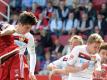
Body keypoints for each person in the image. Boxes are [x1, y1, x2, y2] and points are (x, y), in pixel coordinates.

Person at [0, 11, 37, 80]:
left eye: (30, 28)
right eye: (27, 27)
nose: (28, 30)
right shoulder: (9, 29)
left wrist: (32, 72)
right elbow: (9, 29)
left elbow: (32, 54)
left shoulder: (29, 37)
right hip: (5, 63)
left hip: (17, 63)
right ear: (20, 24)